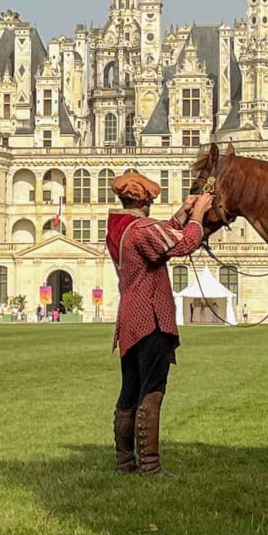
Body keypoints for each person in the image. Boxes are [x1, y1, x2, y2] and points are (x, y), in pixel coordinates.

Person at [106, 168, 212, 477]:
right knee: (152, 389)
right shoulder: (141, 229)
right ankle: (150, 465)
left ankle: (125, 462)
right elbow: (181, 245)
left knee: (130, 390)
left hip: (129, 317)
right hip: (149, 316)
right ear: (146, 200)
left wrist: (180, 213)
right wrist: (198, 216)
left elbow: (160, 235)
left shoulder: (120, 226)